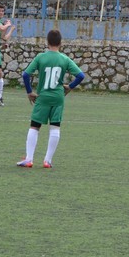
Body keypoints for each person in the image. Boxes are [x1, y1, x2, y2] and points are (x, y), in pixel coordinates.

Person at [17, 29, 85, 169]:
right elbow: (80, 76)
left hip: (42, 97)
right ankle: (47, 161)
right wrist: (70, 87)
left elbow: (25, 75)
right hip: (58, 97)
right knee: (55, 127)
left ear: (47, 42)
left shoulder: (40, 57)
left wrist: (29, 92)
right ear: (60, 43)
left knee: (35, 126)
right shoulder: (64, 59)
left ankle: (29, 159)